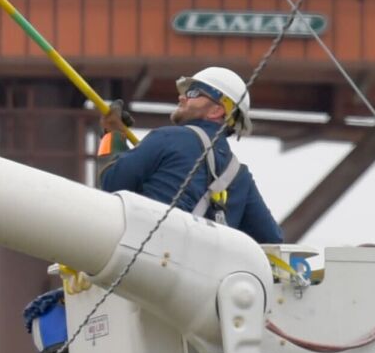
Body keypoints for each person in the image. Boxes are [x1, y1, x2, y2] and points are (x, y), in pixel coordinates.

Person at [97, 66, 282, 244]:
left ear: (216, 110)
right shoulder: (240, 177)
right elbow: (272, 239)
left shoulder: (169, 138)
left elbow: (110, 183)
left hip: (146, 261)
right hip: (199, 273)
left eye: (193, 92)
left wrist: (112, 136)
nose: (182, 97)